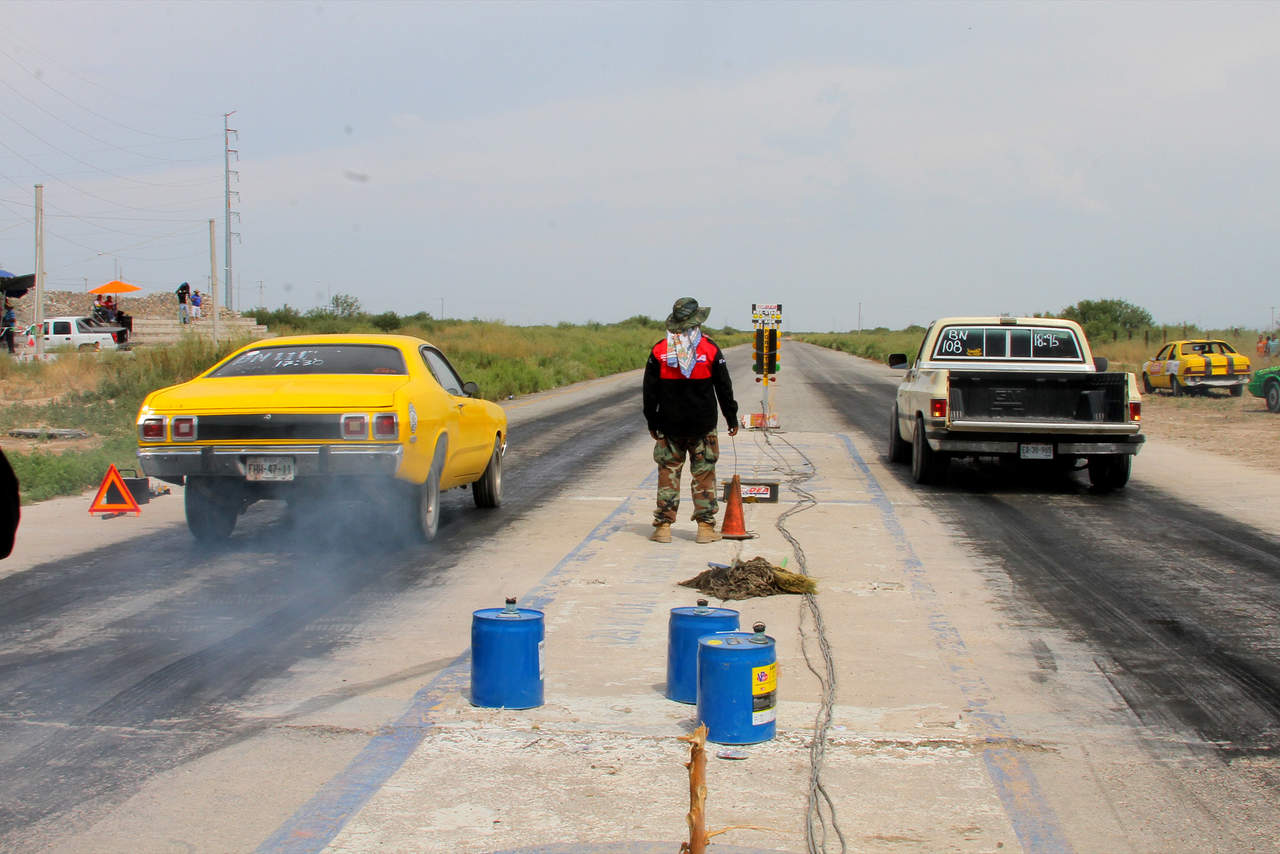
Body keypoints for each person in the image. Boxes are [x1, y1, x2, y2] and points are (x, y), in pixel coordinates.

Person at [643, 297, 739, 544]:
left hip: (669, 426)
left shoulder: (659, 351)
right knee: (704, 476)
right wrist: (731, 417)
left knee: (668, 475)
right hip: (703, 427)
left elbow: (649, 393)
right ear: (697, 322)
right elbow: (724, 388)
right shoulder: (710, 350)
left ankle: (663, 527)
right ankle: (705, 529)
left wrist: (652, 423)